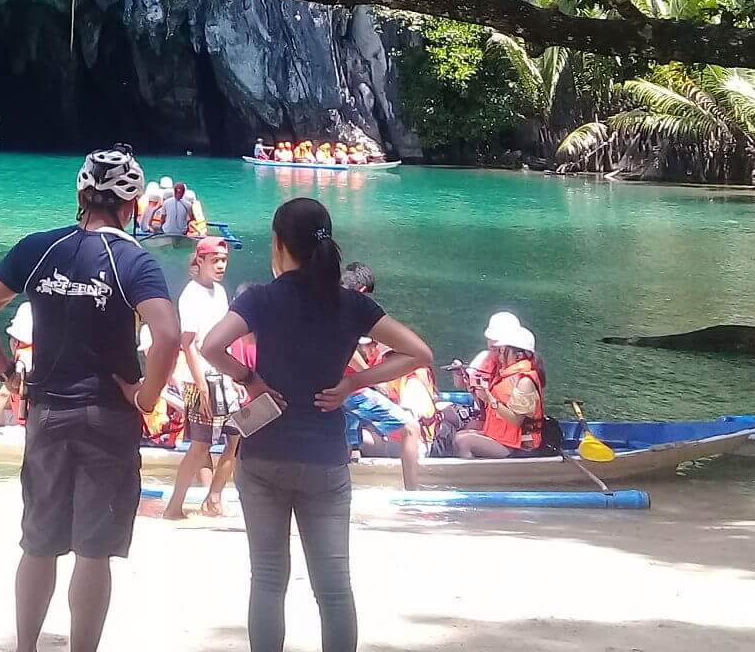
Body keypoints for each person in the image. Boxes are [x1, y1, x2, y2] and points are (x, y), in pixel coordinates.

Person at [0, 147, 179, 652]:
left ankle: (25, 648)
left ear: (81, 195)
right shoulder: (134, 260)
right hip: (108, 417)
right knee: (93, 552)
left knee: (38, 543)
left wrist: (6, 373)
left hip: (49, 412)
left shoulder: (40, 249)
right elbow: (168, 336)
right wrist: (146, 396)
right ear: (132, 205)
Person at [201, 198, 433, 652]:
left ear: (278, 244)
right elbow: (420, 353)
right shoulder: (350, 305)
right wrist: (355, 382)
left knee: (268, 580)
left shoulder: (261, 299)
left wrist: (251, 380)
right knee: (333, 588)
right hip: (325, 457)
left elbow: (212, 346)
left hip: (265, 452)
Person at [339, 263, 440, 491]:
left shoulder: (326, 300)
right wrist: (368, 378)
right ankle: (412, 494)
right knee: (411, 429)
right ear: (362, 290)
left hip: (328, 386)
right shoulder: (352, 306)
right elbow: (350, 352)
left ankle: (344, 486)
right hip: (350, 390)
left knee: (345, 436)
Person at [165, 237, 240, 520]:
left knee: (235, 438)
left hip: (223, 375)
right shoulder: (190, 294)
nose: (221, 266)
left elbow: (225, 338)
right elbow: (189, 344)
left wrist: (233, 375)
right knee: (200, 446)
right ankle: (175, 505)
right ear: (201, 261)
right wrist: (201, 385)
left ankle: (214, 497)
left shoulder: (220, 292)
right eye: (215, 260)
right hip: (201, 377)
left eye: (223, 260)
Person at [451, 324, 545, 459]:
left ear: (519, 355)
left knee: (464, 442)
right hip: (504, 437)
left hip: (519, 445)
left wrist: (491, 400)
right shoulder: (507, 375)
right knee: (460, 435)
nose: (499, 356)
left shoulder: (525, 382)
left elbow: (517, 420)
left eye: (503, 351)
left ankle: (471, 476)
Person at [0, 302, 35, 434]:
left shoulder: (23, 360)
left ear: (15, 342)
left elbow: (4, 394)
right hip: (41, 421)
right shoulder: (43, 356)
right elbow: (18, 398)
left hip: (28, 429)